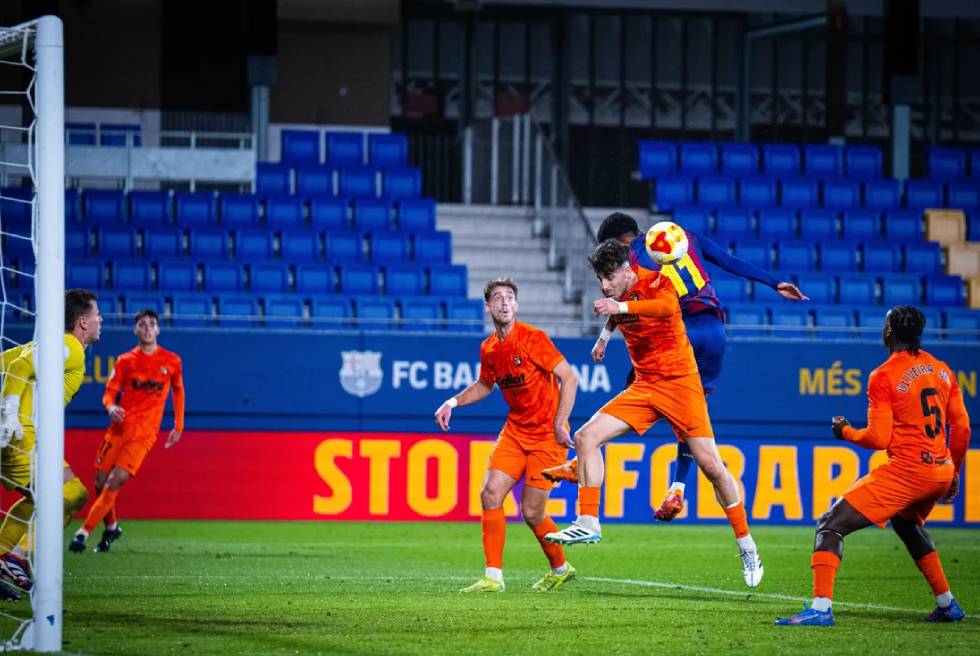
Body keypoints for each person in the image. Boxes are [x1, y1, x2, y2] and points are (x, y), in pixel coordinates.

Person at [542, 212, 808, 521]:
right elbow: (728, 260)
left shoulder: (634, 258)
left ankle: (583, 461)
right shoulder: (686, 236)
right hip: (714, 332)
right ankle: (678, 486)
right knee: (693, 414)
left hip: (683, 331)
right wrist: (775, 283)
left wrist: (604, 336)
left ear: (622, 242)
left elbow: (631, 302)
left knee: (640, 386)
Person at [545, 240, 763, 588]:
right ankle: (588, 521)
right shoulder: (619, 293)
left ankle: (747, 544)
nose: (605, 285)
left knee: (711, 467)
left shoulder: (659, 281)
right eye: (600, 279)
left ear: (628, 270)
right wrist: (604, 337)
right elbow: (620, 311)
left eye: (610, 277)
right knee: (586, 437)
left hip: (681, 384)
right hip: (645, 386)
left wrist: (617, 306)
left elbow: (663, 308)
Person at [776, 305, 971, 626]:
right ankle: (947, 604)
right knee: (907, 524)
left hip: (908, 471)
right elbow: (961, 427)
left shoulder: (884, 374)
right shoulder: (943, 370)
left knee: (829, 525)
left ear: (888, 332)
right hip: (940, 469)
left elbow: (879, 438)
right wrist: (955, 472)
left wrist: (845, 431)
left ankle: (821, 609)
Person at [435, 278, 579, 593]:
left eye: (510, 297)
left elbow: (569, 378)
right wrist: (452, 402)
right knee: (490, 494)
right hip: (515, 432)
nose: (504, 302)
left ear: (516, 305)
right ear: (488, 306)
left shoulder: (533, 338)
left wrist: (560, 423)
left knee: (532, 512)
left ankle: (561, 568)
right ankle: (493, 577)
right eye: (498, 298)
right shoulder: (489, 348)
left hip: (547, 436)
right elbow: (485, 385)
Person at [0, 289, 102, 598]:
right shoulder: (71, 347)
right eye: (96, 315)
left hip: (16, 433)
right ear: (82, 322)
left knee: (39, 498)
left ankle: (5, 556)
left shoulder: (47, 344)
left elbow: (7, 362)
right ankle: (17, 557)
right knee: (72, 493)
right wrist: (9, 414)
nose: (100, 320)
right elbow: (18, 368)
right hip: (19, 434)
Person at [70, 308, 185, 554]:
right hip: (118, 430)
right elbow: (109, 393)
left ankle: (83, 533)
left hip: (143, 435)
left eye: (151, 324)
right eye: (142, 324)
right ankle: (112, 527)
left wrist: (178, 425)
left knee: (115, 480)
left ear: (158, 329)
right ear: (135, 330)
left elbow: (178, 390)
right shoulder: (125, 361)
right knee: (99, 482)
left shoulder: (171, 361)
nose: (147, 328)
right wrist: (111, 407)